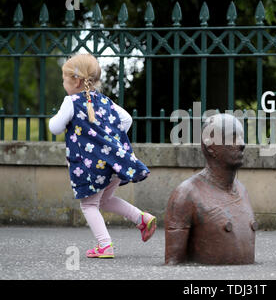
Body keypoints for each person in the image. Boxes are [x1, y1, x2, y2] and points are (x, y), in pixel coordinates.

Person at [49, 53, 156, 259]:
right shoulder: (105, 101)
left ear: (76, 80)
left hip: (91, 168)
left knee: (89, 204)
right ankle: (142, 219)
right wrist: (107, 137)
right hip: (114, 163)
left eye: (64, 79)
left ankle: (105, 245)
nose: (63, 83)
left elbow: (55, 127)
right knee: (105, 200)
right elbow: (126, 119)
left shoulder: (71, 102)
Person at [165, 113, 257, 265]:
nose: (242, 144)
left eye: (242, 136)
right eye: (232, 137)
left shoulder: (242, 191)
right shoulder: (186, 195)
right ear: (211, 146)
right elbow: (173, 266)